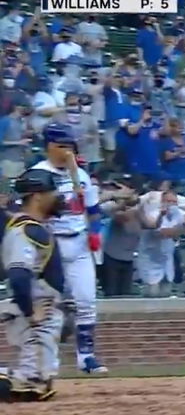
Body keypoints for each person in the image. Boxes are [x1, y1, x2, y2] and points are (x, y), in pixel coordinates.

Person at [29, 123, 107, 374]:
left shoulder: (81, 175)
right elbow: (28, 214)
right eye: (62, 145)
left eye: (70, 146)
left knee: (86, 301)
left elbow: (93, 210)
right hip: (51, 246)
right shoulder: (37, 175)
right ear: (50, 146)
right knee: (50, 306)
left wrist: (95, 232)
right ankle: (46, 362)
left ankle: (86, 358)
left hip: (79, 242)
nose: (67, 151)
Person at [0, 168, 67, 402]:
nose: (57, 197)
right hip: (33, 314)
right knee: (33, 385)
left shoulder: (32, 227)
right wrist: (32, 313)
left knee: (39, 383)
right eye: (53, 192)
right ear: (38, 196)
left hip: (39, 311)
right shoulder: (26, 230)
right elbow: (19, 276)